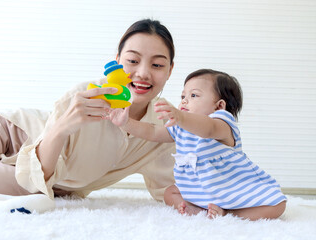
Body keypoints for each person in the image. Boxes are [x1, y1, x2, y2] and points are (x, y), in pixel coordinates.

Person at [0, 19, 176, 202]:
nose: (143, 73)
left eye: (157, 65)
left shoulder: (166, 126)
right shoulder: (86, 95)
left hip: (45, 175)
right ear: (117, 61)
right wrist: (63, 127)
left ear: (170, 70)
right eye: (132, 60)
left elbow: (170, 188)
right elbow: (51, 139)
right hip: (12, 133)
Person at [108, 69, 287, 221]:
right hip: (198, 186)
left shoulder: (222, 122)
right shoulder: (180, 126)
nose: (184, 101)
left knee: (278, 205)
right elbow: (152, 132)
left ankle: (230, 213)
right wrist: (126, 123)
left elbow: (207, 130)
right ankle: (192, 208)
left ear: (219, 106)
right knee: (170, 192)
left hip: (228, 184)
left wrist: (181, 116)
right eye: (183, 96)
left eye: (193, 95)